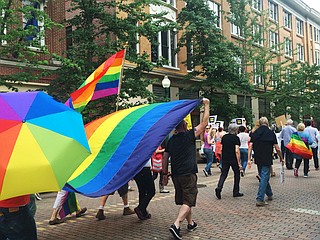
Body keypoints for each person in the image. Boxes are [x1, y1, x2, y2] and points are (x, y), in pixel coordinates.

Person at [162, 98, 210, 240]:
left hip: (176, 174)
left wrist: (165, 174)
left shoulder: (171, 141)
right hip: (188, 173)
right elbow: (204, 123)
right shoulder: (189, 136)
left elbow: (165, 157)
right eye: (185, 122)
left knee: (185, 199)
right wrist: (206, 105)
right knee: (189, 201)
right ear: (183, 126)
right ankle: (176, 225)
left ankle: (190, 223)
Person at [248, 117, 284, 207]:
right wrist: (281, 158)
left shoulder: (255, 133)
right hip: (267, 157)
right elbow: (277, 148)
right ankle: (260, 198)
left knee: (263, 175)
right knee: (264, 176)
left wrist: (249, 159)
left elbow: (250, 146)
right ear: (267, 123)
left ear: (259, 124)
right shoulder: (270, 133)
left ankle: (269, 194)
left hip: (258, 157)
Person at [215, 124, 243, 199]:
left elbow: (221, 148)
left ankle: (219, 187)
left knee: (224, 174)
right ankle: (235, 191)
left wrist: (221, 158)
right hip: (233, 158)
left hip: (225, 158)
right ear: (235, 130)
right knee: (237, 174)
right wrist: (239, 163)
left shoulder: (224, 137)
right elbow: (237, 150)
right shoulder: (236, 138)